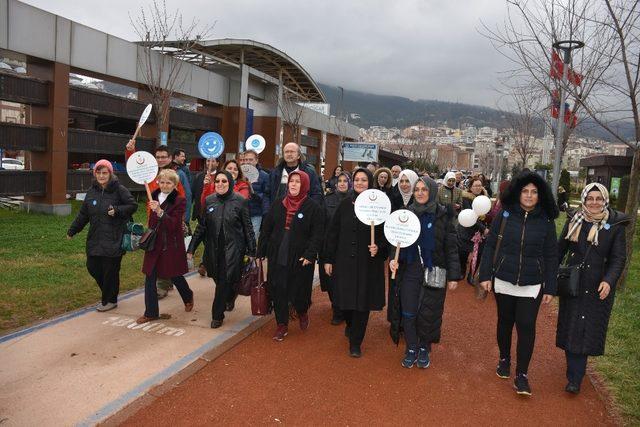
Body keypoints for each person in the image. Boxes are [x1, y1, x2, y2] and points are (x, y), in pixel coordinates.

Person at [478, 171, 559, 396]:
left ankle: (522, 374)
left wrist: (550, 286)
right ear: (518, 192)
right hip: (504, 277)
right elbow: (491, 246)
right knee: (505, 321)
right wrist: (485, 275)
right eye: (525, 191)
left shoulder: (545, 221)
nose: (529, 196)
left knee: (526, 326)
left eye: (534, 192)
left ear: (540, 195)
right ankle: (504, 358)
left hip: (533, 282)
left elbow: (552, 255)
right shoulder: (505, 215)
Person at [556, 183, 629, 394]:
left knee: (586, 329)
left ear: (605, 200)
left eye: (599, 198)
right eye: (590, 198)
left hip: (598, 285)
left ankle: (575, 378)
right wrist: (551, 276)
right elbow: (560, 249)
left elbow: (618, 258)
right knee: (571, 325)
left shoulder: (615, 225)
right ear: (584, 199)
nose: (594, 202)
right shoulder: (574, 220)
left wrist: (609, 280)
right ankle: (574, 370)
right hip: (574, 282)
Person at [389, 177, 461, 368]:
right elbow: (395, 241)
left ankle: (423, 347)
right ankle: (411, 347)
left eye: (424, 189)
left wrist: (454, 276)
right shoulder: (405, 214)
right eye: (417, 189)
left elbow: (451, 247)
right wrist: (392, 260)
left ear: (432, 192)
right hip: (409, 270)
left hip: (434, 270)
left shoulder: (443, 215)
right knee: (409, 311)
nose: (420, 193)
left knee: (429, 312)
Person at [325, 168, 388, 358]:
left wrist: (379, 248)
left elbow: (388, 235)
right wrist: (328, 259)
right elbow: (333, 233)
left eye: (364, 180)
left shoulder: (381, 206)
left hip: (368, 263)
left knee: (362, 303)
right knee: (346, 302)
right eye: (357, 179)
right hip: (344, 261)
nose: (360, 183)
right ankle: (351, 326)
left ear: (370, 182)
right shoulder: (344, 204)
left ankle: (356, 341)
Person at [258, 171, 324, 341]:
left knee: (299, 289)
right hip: (278, 252)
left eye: (298, 182)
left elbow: (317, 234)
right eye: (291, 181)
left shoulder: (313, 207)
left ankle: (302, 311)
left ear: (305, 185)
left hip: (301, 256)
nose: (293, 184)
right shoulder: (278, 204)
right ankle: (282, 324)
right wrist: (261, 250)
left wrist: (310, 254)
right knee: (278, 288)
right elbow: (266, 228)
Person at [67, 160, 138, 312]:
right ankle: (108, 293)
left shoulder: (119, 189)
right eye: (98, 172)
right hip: (95, 238)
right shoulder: (92, 191)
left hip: (115, 237)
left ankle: (110, 300)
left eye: (104, 172)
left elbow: (133, 206)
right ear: (95, 174)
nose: (101, 175)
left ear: (110, 173)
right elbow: (83, 214)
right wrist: (72, 230)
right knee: (92, 267)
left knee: (110, 271)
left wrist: (117, 210)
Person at [188, 171, 256, 328]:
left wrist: (252, 250)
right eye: (217, 180)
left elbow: (248, 227)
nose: (220, 184)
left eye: (224, 181)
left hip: (233, 250)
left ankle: (217, 315)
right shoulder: (209, 200)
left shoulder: (240, 201)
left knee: (223, 282)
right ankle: (230, 296)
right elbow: (201, 227)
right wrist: (191, 248)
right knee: (219, 279)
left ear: (230, 183)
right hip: (213, 250)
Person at [137, 169, 194, 324]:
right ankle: (151, 312)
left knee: (174, 274)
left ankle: (188, 296)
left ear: (174, 185)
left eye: (168, 182)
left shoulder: (179, 200)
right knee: (150, 276)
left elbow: (174, 225)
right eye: (162, 182)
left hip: (170, 244)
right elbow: (152, 221)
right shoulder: (153, 195)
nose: (164, 185)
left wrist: (160, 212)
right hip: (154, 243)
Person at [319, 171, 352, 325]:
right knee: (331, 279)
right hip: (330, 245)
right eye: (340, 180)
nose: (342, 183)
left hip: (348, 247)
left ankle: (344, 308)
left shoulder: (356, 200)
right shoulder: (328, 199)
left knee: (346, 279)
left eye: (345, 181)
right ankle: (336, 308)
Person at [265, 142, 323, 207]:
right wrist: (267, 212)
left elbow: (316, 194)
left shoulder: (309, 172)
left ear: (298, 155)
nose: (289, 154)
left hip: (302, 212)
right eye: (286, 152)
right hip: (278, 212)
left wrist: (309, 211)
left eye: (292, 152)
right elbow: (267, 194)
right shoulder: (275, 172)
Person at [457, 177, 490, 282]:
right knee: (463, 253)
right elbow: (470, 217)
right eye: (475, 185)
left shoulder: (485, 198)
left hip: (480, 232)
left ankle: (471, 275)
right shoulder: (466, 198)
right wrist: (483, 228)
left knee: (479, 253)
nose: (478, 188)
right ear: (470, 187)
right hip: (467, 229)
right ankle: (462, 270)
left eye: (480, 185)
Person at [191, 156, 219, 277]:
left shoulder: (220, 178)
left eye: (212, 161)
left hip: (214, 214)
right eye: (208, 160)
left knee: (210, 241)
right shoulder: (199, 176)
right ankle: (206, 262)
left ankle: (205, 263)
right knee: (205, 240)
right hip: (201, 214)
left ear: (217, 163)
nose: (210, 163)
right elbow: (193, 194)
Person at [240, 149, 270, 239]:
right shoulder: (239, 174)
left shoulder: (264, 176)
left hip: (256, 213)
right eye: (245, 160)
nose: (247, 162)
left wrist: (253, 191)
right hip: (240, 213)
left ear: (256, 160)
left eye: (250, 159)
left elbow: (267, 196)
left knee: (252, 239)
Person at [172, 149, 193, 226]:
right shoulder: (172, 169)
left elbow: (188, 188)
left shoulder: (184, 170)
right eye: (182, 156)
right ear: (176, 157)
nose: (184, 158)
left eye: (184, 156)